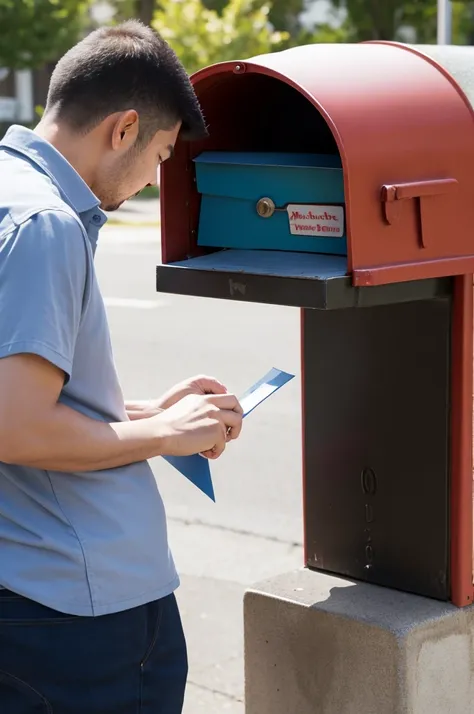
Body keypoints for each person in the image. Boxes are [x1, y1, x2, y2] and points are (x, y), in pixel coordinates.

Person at [0, 19, 243, 714]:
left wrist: (150, 414)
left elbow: (22, 392)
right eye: (162, 155)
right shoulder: (44, 225)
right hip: (69, 614)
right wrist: (167, 437)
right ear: (124, 128)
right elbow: (18, 429)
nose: (152, 179)